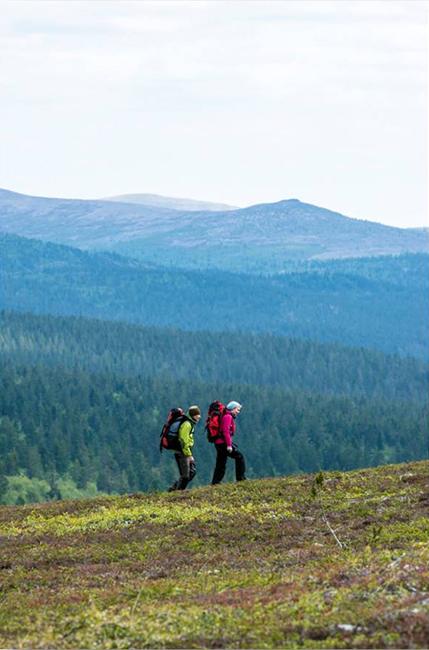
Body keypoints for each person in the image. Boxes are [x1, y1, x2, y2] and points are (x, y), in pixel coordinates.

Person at [211, 401, 246, 485]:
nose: (238, 412)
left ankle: (215, 482)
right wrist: (229, 445)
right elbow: (225, 432)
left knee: (221, 462)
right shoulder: (228, 417)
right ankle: (240, 478)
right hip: (223, 443)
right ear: (233, 409)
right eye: (237, 409)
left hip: (218, 443)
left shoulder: (226, 415)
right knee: (239, 457)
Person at [168, 405, 201, 491]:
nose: (199, 416)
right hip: (182, 452)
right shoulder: (187, 424)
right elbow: (183, 440)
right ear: (193, 415)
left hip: (183, 451)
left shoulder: (189, 423)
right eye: (197, 414)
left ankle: (174, 489)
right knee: (186, 475)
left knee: (191, 472)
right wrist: (189, 455)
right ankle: (178, 493)